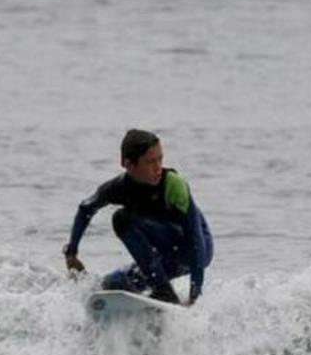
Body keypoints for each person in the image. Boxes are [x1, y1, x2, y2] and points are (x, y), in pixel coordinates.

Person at [62, 129, 214, 305]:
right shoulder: (118, 188)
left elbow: (195, 239)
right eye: (150, 162)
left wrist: (195, 295)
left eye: (160, 159)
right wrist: (71, 253)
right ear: (128, 164)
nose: (158, 167)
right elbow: (85, 209)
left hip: (194, 251)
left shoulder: (174, 186)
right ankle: (149, 307)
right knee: (112, 285)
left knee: (121, 218)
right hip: (164, 258)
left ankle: (163, 292)